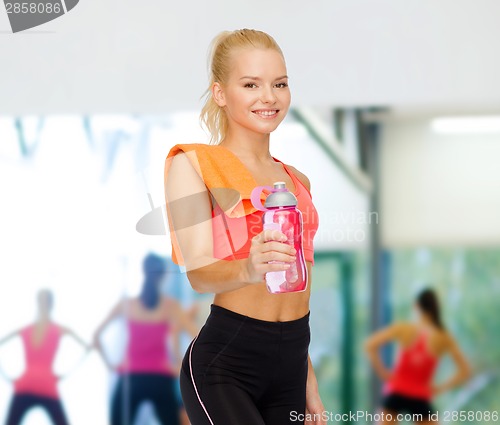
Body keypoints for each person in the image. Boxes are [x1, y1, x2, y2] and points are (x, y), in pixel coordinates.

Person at [164, 28, 324, 425]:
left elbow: (296, 285)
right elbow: (199, 273)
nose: (268, 97)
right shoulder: (194, 164)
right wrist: (248, 269)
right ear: (220, 93)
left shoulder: (297, 181)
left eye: (279, 84)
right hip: (227, 364)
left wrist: (308, 378)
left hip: (291, 362)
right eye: (251, 84)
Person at [93, 253, 198, 425]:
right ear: (163, 276)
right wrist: (179, 365)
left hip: (131, 377)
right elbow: (198, 336)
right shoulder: (171, 306)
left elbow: (96, 336)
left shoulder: (127, 304)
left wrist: (110, 366)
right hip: (160, 379)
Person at [364, 288, 472, 424]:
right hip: (420, 396)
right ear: (437, 307)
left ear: (416, 305)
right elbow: (465, 370)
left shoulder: (403, 328)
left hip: (396, 391)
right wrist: (440, 388)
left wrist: (383, 372)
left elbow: (369, 345)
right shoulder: (444, 337)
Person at [0, 289, 90, 425]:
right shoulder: (27, 329)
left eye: (45, 301)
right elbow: (88, 348)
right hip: (28, 385)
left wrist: (66, 373)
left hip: (45, 386)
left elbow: (87, 348)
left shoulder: (57, 329)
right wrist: (5, 376)